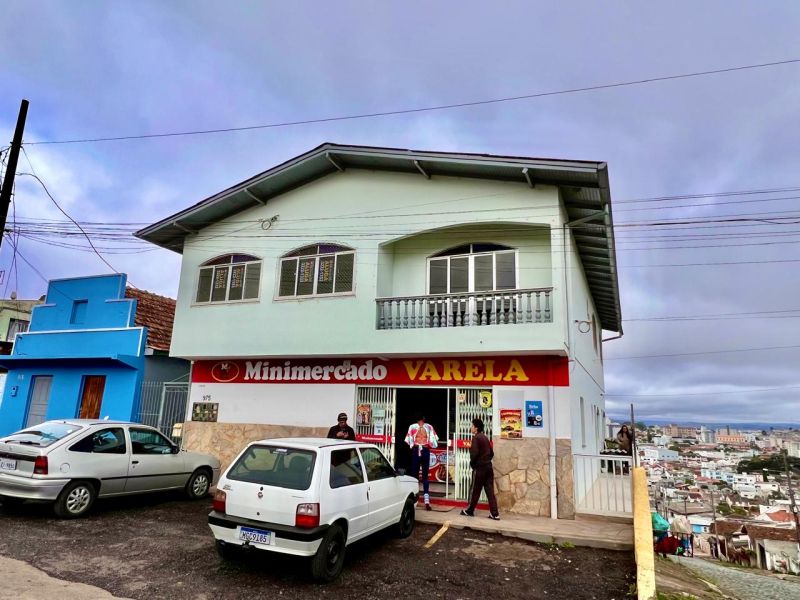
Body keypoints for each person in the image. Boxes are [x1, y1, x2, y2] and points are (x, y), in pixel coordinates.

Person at [460, 418, 500, 520]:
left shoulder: (476, 438)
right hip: (488, 467)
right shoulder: (485, 438)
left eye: (472, 426)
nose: (471, 427)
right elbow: (491, 453)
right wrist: (486, 461)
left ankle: (469, 510)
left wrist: (473, 464)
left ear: (476, 428)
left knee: (474, 490)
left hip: (480, 468)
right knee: (490, 491)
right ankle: (495, 514)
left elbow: (474, 454)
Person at [404, 414, 439, 510]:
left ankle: (415, 500)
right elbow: (435, 442)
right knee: (425, 477)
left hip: (416, 451)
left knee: (415, 476)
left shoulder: (412, 427)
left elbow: (408, 441)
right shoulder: (429, 427)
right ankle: (427, 501)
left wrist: (415, 444)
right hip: (425, 451)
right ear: (424, 419)